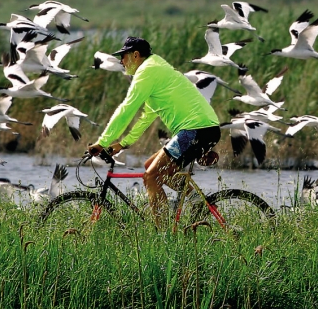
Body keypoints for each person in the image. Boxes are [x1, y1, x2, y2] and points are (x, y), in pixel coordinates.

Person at [87, 36, 221, 220]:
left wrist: (102, 142)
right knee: (150, 167)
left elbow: (126, 109)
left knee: (151, 176)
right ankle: (196, 200)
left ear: (135, 55)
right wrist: (123, 144)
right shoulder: (156, 68)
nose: (121, 61)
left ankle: (162, 233)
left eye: (123, 56)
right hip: (203, 129)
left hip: (195, 130)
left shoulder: (147, 71)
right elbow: (146, 117)